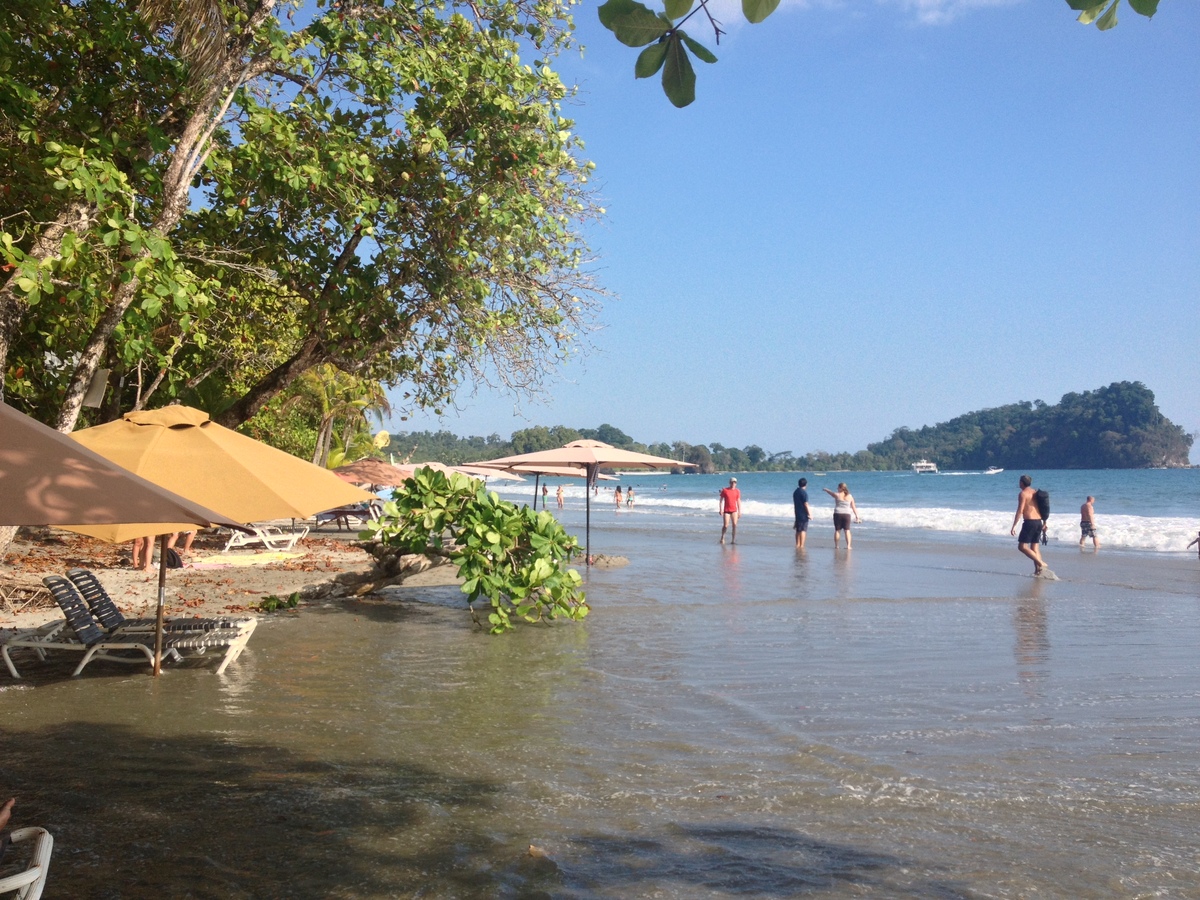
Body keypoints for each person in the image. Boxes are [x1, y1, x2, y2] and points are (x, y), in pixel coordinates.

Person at [1011, 474, 1047, 576]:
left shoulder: (1023, 494)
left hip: (1030, 522)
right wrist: (1045, 523)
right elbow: (1043, 508)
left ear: (1022, 483)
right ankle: (1038, 571)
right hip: (1038, 521)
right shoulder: (1035, 492)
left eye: (1019, 481)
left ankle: (1041, 563)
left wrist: (1014, 526)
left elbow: (1020, 510)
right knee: (1035, 547)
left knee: (1022, 546)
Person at [822, 482, 860, 549]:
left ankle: (837, 545)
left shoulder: (837, 495)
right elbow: (853, 507)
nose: (837, 488)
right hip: (847, 514)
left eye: (838, 487)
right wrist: (857, 516)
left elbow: (830, 493)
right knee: (847, 530)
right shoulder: (850, 496)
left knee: (837, 530)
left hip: (838, 514)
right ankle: (848, 546)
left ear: (840, 488)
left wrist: (826, 490)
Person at [718, 477, 741, 544]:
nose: (733, 483)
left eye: (734, 482)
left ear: (736, 483)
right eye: (732, 482)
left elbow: (738, 501)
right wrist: (720, 509)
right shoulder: (725, 490)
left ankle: (733, 540)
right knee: (726, 525)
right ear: (729, 483)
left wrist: (739, 511)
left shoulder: (737, 491)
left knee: (734, 525)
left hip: (734, 510)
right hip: (726, 510)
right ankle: (722, 537)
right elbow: (721, 500)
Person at [792, 477, 811, 549]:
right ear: (805, 484)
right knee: (803, 530)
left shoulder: (795, 492)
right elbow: (806, 504)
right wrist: (809, 514)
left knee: (798, 530)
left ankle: (797, 544)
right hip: (803, 513)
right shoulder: (804, 493)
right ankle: (802, 545)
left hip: (797, 512)